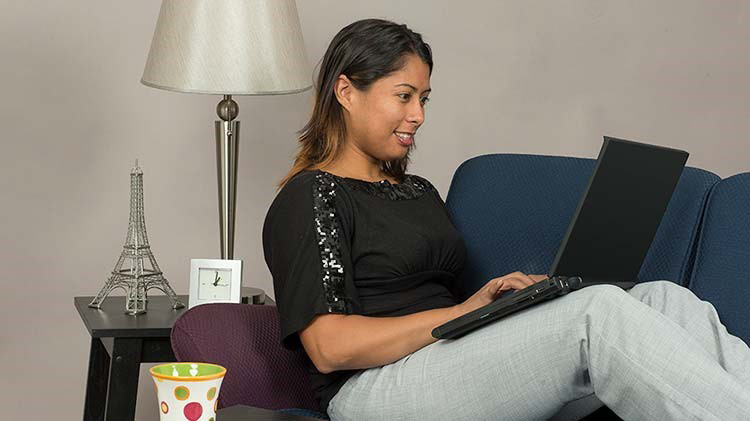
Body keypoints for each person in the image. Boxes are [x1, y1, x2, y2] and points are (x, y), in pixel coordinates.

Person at [261, 18, 750, 421]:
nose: (418, 116)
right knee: (597, 314)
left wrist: (509, 304)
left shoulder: (417, 191)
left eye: (424, 99)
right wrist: (459, 316)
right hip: (373, 390)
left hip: (447, 359)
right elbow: (330, 346)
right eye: (403, 96)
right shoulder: (310, 197)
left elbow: (443, 300)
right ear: (346, 91)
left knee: (665, 298)